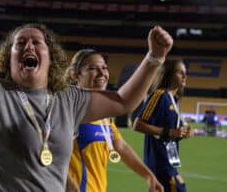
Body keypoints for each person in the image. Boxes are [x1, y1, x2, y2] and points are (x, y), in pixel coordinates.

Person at [0, 0, 173, 191]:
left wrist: (154, 58)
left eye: (37, 42)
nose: (29, 45)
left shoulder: (69, 99)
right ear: (9, 57)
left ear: (51, 59)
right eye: (20, 43)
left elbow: (123, 101)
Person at [65, 49, 164, 192]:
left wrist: (149, 176)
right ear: (76, 76)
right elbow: (49, 154)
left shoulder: (104, 116)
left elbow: (121, 147)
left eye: (104, 68)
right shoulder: (68, 109)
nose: (101, 73)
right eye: (93, 68)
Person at [133, 59, 194, 192]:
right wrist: (169, 132)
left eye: (185, 73)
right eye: (180, 72)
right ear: (169, 74)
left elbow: (172, 132)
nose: (185, 76)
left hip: (170, 162)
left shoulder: (175, 99)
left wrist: (183, 133)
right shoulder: (159, 95)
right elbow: (138, 125)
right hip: (159, 163)